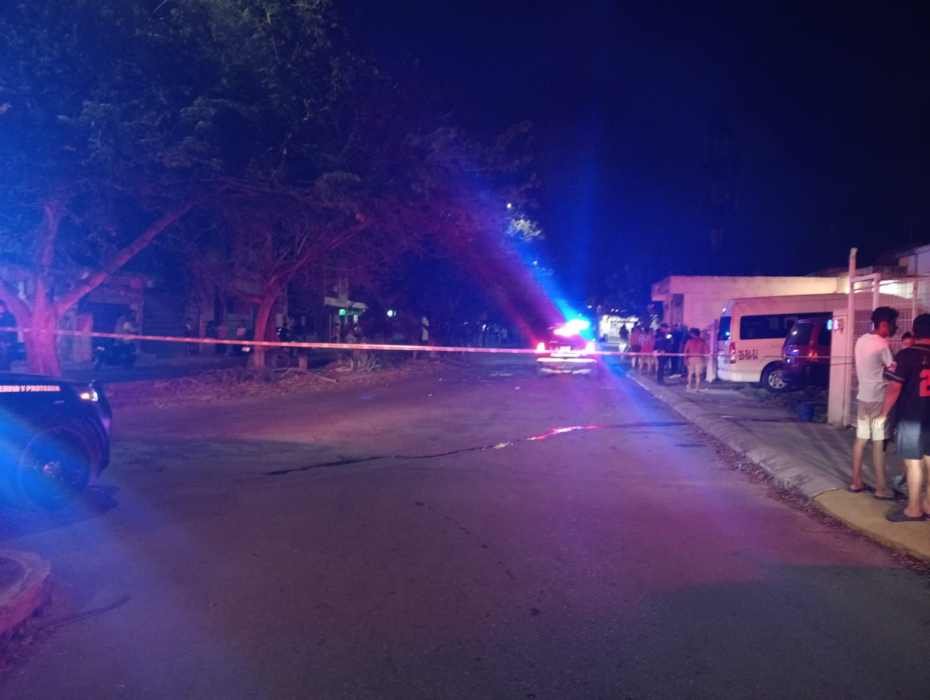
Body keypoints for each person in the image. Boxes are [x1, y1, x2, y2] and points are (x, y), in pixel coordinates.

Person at [881, 313, 930, 521]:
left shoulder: (906, 355)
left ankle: (913, 509)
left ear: (915, 331)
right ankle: (928, 504)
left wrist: (883, 414)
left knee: (913, 463)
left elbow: (894, 388)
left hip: (911, 417)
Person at [851, 306, 898, 498]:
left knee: (861, 440)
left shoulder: (861, 341)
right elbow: (893, 369)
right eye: (893, 324)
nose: (895, 328)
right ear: (884, 324)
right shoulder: (882, 345)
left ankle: (856, 482)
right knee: (879, 442)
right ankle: (881, 488)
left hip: (863, 397)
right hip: (878, 399)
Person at [0, 300, 16, 371]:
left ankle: (5, 370)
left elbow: (12, 329)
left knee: (5, 355)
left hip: (6, 340)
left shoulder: (9, 316)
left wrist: (10, 341)